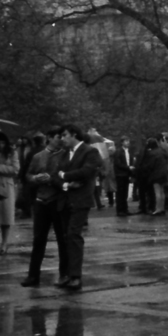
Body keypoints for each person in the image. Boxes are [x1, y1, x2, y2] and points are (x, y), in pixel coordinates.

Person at [19, 127, 69, 286]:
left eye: (62, 136)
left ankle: (64, 275)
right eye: (57, 136)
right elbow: (27, 175)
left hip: (57, 201)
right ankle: (33, 275)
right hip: (41, 201)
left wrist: (52, 179)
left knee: (63, 240)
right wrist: (35, 178)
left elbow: (67, 177)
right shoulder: (37, 157)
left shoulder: (65, 156)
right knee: (38, 240)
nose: (60, 139)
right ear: (49, 138)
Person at [55, 124, 100, 290]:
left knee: (74, 235)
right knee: (65, 237)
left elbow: (87, 172)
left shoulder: (89, 151)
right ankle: (65, 274)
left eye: (65, 135)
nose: (62, 138)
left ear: (74, 135)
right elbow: (56, 174)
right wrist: (66, 184)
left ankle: (75, 276)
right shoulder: (65, 154)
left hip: (81, 200)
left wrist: (64, 175)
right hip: (65, 199)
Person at [0, 132, 19, 257]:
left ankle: (5, 243)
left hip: (7, 186)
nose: (0, 145)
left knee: (7, 218)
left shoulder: (12, 153)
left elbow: (15, 170)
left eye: (2, 143)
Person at [112, 137, 134, 216]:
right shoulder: (118, 152)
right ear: (122, 142)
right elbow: (118, 164)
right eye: (126, 141)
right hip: (120, 174)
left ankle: (125, 209)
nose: (128, 142)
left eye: (128, 141)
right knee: (120, 193)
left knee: (125, 193)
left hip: (126, 174)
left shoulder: (128, 151)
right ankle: (120, 210)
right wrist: (128, 167)